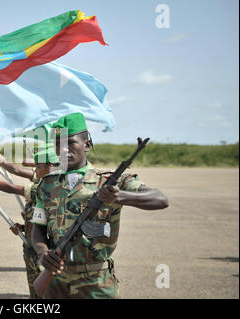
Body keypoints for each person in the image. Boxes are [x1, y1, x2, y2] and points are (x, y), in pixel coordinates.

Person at [31, 113, 169, 299]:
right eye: (58, 144)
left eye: (70, 142)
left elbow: (160, 199)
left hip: (96, 283)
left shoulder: (111, 181)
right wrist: (43, 253)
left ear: (87, 144)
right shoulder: (46, 185)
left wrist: (120, 196)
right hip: (56, 282)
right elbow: (38, 228)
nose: (63, 149)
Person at [0, 145, 60, 298]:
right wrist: (24, 227)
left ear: (51, 167)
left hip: (43, 254)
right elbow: (42, 223)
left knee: (45, 294)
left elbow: (11, 188)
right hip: (32, 249)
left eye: (38, 167)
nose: (36, 170)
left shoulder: (44, 189)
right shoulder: (44, 185)